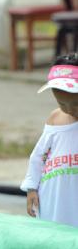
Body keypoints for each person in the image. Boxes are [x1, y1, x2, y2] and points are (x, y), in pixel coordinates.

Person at [20, 55, 78, 228]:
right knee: (54, 232)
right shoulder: (55, 118)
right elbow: (37, 157)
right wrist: (32, 188)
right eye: (62, 103)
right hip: (55, 195)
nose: (69, 109)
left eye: (75, 104)